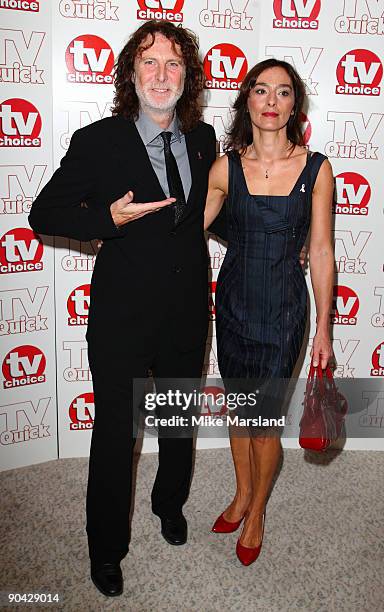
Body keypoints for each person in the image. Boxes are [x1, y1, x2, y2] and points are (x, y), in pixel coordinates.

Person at [29, 20, 216, 596]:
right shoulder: (97, 140)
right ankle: (106, 549)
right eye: (149, 63)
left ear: (187, 76)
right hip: (122, 318)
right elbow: (44, 215)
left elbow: (209, 213)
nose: (161, 76)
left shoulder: (205, 139)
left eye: (173, 65)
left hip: (187, 311)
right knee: (116, 436)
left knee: (178, 424)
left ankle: (169, 505)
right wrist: (105, 221)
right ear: (130, 74)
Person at [204, 58, 334, 566]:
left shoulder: (317, 169)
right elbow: (189, 233)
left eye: (283, 92)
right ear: (247, 101)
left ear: (294, 104)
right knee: (239, 412)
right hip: (233, 305)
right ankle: (240, 495)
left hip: (284, 313)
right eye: (261, 91)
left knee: (264, 422)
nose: (272, 102)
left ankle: (256, 512)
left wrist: (323, 328)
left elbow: (320, 250)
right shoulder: (223, 167)